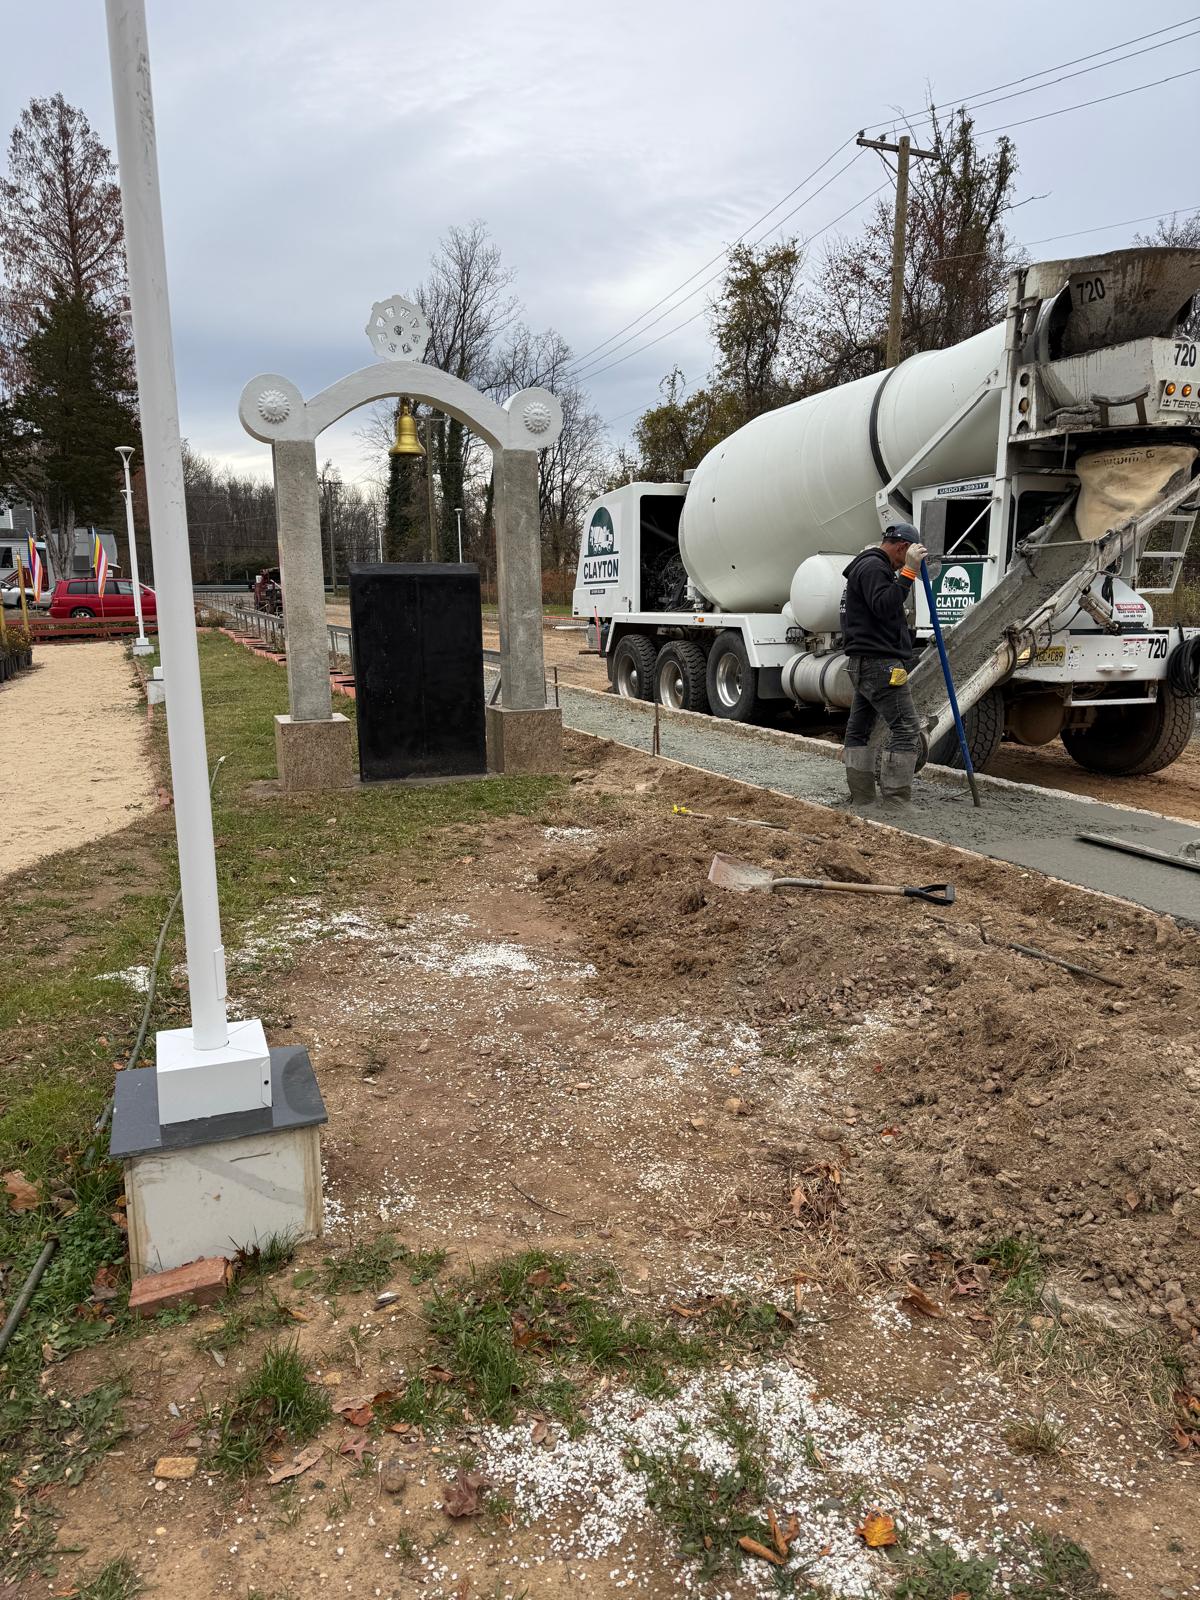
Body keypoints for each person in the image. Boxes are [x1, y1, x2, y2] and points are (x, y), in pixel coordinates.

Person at [839, 523, 928, 807]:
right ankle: (896, 802)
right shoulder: (874, 568)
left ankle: (862, 798)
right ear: (902, 547)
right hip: (880, 664)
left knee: (859, 729)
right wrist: (909, 572)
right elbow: (884, 606)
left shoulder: (866, 567)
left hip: (863, 662)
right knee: (906, 729)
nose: (902, 564)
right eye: (905, 557)